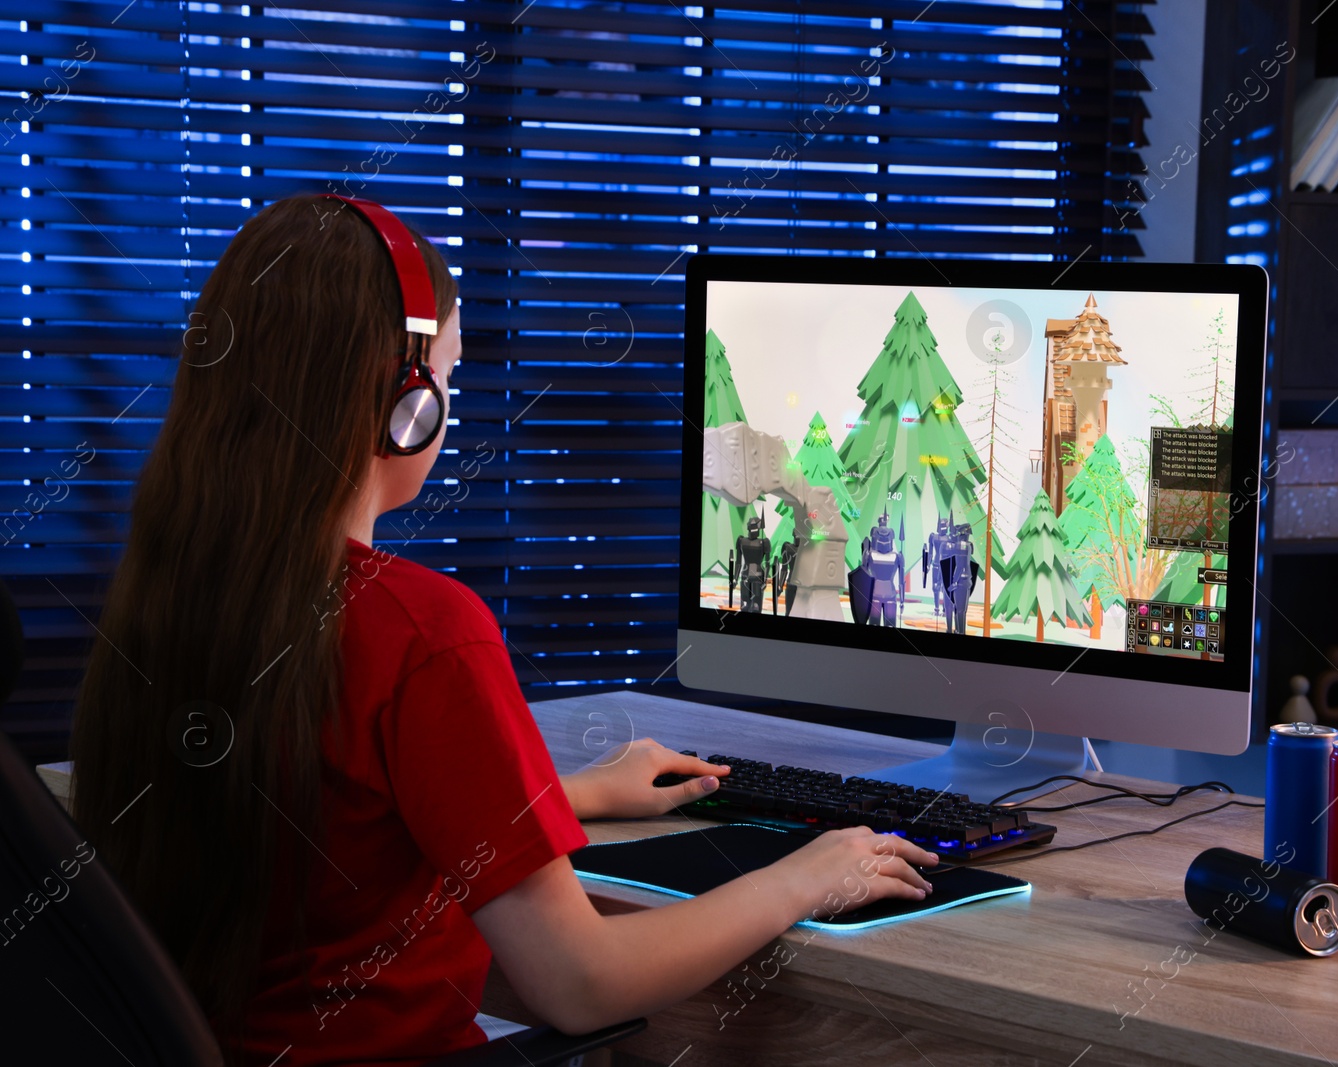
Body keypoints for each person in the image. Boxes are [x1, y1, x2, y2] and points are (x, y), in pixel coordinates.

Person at [67, 194, 935, 1067]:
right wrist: (802, 877)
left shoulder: (168, 593)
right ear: (402, 401)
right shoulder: (423, 631)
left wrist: (572, 795)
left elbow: (337, 820)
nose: (445, 402)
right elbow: (581, 980)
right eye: (444, 373)